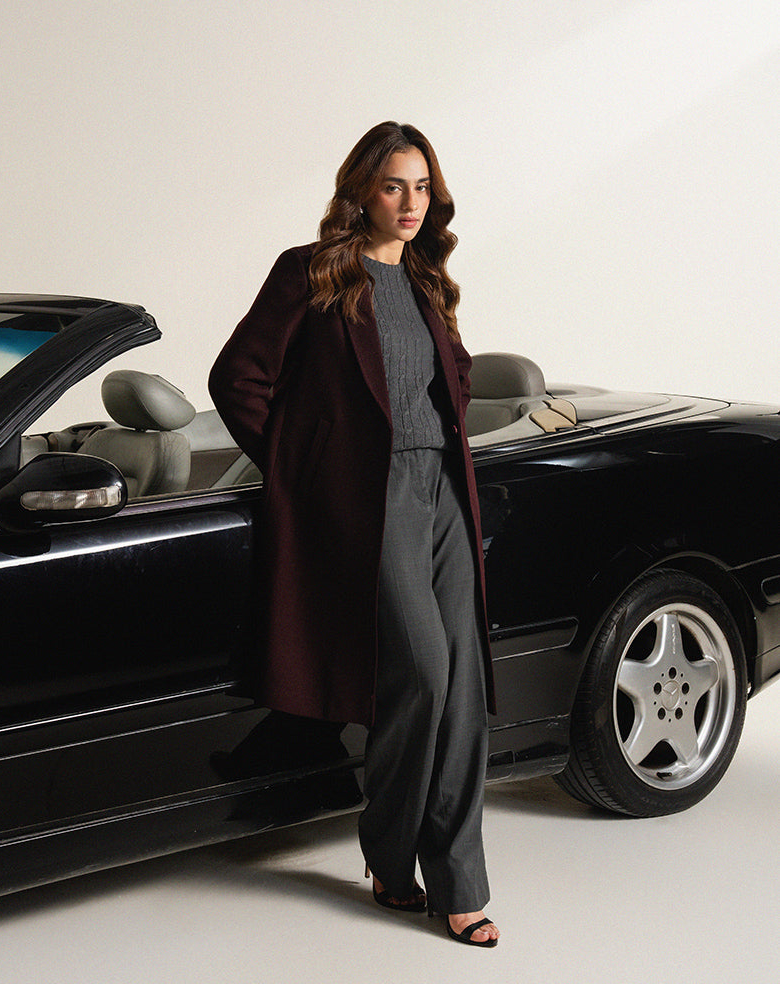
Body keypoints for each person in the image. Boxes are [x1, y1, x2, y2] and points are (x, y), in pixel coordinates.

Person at [209, 121, 500, 947]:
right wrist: (306, 473)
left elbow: (454, 374)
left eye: (422, 187)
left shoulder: (427, 279)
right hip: (372, 500)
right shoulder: (311, 272)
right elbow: (238, 377)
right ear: (362, 190)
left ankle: (460, 884)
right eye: (393, 185)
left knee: (464, 688)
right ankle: (391, 853)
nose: (410, 203)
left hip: (444, 489)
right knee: (424, 673)